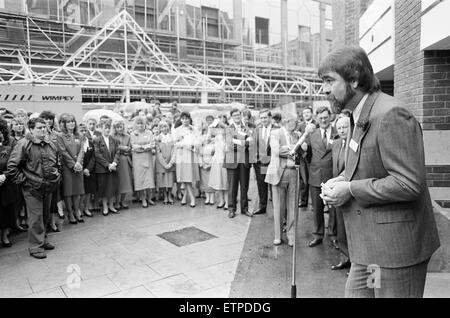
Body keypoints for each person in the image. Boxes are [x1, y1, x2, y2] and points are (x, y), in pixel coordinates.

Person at [319, 46, 440, 298]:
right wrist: (341, 180)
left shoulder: (391, 115)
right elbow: (366, 166)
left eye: (329, 81)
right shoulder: (357, 114)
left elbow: (408, 183)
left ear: (354, 78)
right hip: (369, 250)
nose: (324, 89)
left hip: (396, 253)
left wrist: (350, 189)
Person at [7, 117, 60, 259]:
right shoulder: (24, 144)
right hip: (32, 188)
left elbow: (56, 161)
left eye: (44, 127)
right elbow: (12, 167)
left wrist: (57, 174)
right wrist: (25, 182)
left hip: (48, 186)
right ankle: (35, 247)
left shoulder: (50, 143)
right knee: (35, 218)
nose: (43, 129)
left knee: (45, 216)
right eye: (39, 128)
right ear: (31, 129)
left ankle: (43, 240)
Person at [303, 106, 338, 248]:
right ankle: (317, 235)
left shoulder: (338, 132)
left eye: (325, 117)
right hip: (316, 175)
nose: (323, 120)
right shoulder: (312, 134)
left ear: (330, 116)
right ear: (317, 119)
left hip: (333, 176)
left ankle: (334, 235)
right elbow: (307, 154)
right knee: (317, 208)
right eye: (321, 118)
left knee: (334, 209)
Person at [265, 112, 300, 246]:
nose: (296, 125)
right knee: (278, 206)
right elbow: (276, 151)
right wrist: (294, 148)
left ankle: (291, 236)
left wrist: (289, 148)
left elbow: (302, 151)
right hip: (278, 173)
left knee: (293, 206)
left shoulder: (297, 135)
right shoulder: (275, 133)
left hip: (293, 173)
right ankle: (278, 236)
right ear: (287, 121)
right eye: (294, 122)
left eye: (296, 123)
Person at [223, 109, 254, 218]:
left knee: (245, 186)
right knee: (232, 186)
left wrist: (237, 141)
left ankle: (244, 209)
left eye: (238, 115)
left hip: (244, 160)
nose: (236, 116)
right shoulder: (228, 129)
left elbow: (251, 143)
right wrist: (243, 142)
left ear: (241, 116)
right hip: (232, 161)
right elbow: (230, 145)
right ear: (231, 117)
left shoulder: (246, 128)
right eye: (234, 115)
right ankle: (231, 209)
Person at [330, 116, 351, 271]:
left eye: (345, 127)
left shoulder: (355, 144)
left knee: (352, 229)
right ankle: (344, 258)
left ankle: (356, 263)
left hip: (350, 190)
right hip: (337, 189)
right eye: (339, 128)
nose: (342, 130)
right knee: (341, 227)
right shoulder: (336, 143)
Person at [57, 113, 85, 224]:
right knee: (68, 191)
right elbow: (62, 152)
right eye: (68, 121)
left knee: (77, 191)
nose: (71, 123)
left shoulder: (79, 135)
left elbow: (82, 150)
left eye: (73, 121)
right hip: (67, 168)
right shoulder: (60, 136)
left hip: (78, 166)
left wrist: (78, 163)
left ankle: (77, 210)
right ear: (63, 124)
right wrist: (73, 164)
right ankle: (70, 212)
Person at [173, 112, 200, 207]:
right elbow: (175, 143)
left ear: (189, 119)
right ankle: (192, 198)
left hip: (191, 154)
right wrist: (184, 144)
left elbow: (198, 141)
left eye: (186, 118)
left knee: (189, 176)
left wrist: (193, 145)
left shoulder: (194, 129)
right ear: (180, 120)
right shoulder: (177, 130)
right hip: (181, 155)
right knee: (185, 176)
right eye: (183, 119)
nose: (185, 120)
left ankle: (185, 197)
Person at [93, 121, 120, 216]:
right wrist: (108, 165)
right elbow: (97, 155)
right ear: (101, 129)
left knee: (112, 188)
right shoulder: (97, 140)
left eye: (109, 128)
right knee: (104, 188)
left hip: (113, 168)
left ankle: (111, 205)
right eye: (105, 128)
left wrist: (114, 163)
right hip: (103, 169)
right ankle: (105, 206)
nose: (107, 130)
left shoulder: (114, 139)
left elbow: (117, 152)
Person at [0, 124, 20, 247]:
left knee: (6, 211)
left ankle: (5, 235)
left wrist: (4, 175)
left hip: (6, 183)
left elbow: (13, 164)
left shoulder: (8, 148)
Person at [252, 109, 274, 215]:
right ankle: (262, 207)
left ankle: (277, 208)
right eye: (261, 118)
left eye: (265, 117)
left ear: (270, 118)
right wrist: (255, 161)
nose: (263, 120)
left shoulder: (277, 129)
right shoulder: (257, 129)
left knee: (274, 186)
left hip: (273, 163)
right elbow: (253, 144)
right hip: (260, 163)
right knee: (261, 186)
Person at [130, 116, 156, 208]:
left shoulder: (149, 133)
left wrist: (141, 147)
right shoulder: (133, 134)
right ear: (135, 125)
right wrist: (145, 147)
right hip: (137, 159)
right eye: (138, 123)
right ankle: (143, 198)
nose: (140, 125)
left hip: (148, 158)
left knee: (149, 178)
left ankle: (149, 198)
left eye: (142, 123)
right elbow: (134, 146)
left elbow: (152, 144)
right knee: (140, 179)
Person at [297, 105, 319, 208]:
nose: (306, 114)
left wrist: (308, 146)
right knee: (303, 179)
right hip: (302, 156)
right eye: (304, 113)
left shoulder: (317, 124)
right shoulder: (300, 126)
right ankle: (303, 200)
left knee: (313, 179)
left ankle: (314, 203)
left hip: (313, 156)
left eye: (308, 112)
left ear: (312, 114)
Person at [112, 119, 134, 209]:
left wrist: (126, 150)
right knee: (118, 182)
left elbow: (130, 148)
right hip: (116, 161)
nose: (119, 129)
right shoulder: (112, 136)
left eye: (121, 127)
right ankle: (116, 202)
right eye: (117, 127)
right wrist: (123, 148)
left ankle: (123, 201)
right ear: (115, 128)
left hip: (126, 160)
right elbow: (113, 148)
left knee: (126, 182)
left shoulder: (127, 136)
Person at [208, 119, 228, 209]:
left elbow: (226, 149)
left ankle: (227, 202)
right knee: (219, 181)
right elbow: (208, 139)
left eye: (220, 127)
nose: (218, 129)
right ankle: (221, 200)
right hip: (217, 160)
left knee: (225, 182)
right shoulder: (216, 137)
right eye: (217, 128)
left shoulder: (227, 137)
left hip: (224, 160)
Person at [155, 120, 176, 204]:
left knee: (170, 180)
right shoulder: (157, 138)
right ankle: (165, 196)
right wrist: (164, 164)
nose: (164, 128)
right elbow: (158, 152)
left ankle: (170, 195)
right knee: (162, 180)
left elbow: (174, 150)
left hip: (171, 162)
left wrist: (170, 162)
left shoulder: (172, 137)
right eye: (162, 127)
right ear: (159, 128)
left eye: (166, 126)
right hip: (161, 163)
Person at [78, 123, 96, 217]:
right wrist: (82, 169)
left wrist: (88, 169)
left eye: (85, 130)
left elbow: (93, 157)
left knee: (89, 191)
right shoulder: (76, 142)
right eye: (81, 131)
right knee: (81, 192)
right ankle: (79, 210)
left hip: (89, 171)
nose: (84, 132)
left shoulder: (90, 142)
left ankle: (86, 209)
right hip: (79, 170)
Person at [199, 121, 215, 205]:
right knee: (205, 182)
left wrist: (210, 164)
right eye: (206, 137)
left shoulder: (214, 146)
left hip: (211, 165)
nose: (207, 139)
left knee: (211, 182)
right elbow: (199, 155)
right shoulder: (202, 147)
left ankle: (212, 197)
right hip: (203, 165)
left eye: (209, 137)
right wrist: (201, 163)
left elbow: (214, 156)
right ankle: (207, 197)